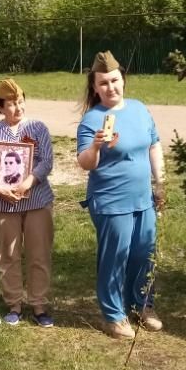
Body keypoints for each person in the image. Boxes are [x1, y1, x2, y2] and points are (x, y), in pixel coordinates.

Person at [76, 51, 165, 340]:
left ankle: (142, 305)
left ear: (123, 80)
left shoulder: (139, 109)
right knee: (115, 257)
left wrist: (160, 182)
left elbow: (154, 145)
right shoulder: (93, 119)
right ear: (95, 87)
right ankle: (114, 316)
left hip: (143, 199)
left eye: (114, 80)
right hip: (111, 201)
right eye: (103, 83)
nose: (110, 87)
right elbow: (85, 163)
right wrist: (97, 147)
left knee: (144, 254)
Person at [0, 78, 55, 327]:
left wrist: (29, 182)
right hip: (4, 204)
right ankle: (14, 302)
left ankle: (38, 304)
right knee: (8, 254)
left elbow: (46, 161)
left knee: (39, 254)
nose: (18, 108)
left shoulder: (38, 127)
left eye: (21, 102)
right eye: (12, 104)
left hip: (36, 201)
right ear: (1, 106)